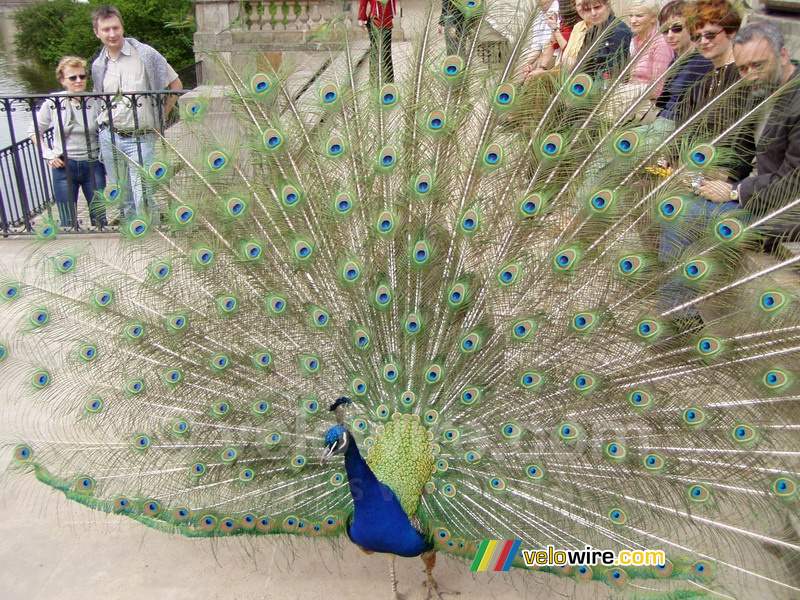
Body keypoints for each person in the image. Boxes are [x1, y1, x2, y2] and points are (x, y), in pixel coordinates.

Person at [699, 21, 800, 246]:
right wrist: (715, 176)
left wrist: (735, 191)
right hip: (762, 191)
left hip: (788, 207)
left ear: (783, 55)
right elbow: (742, 152)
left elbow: (793, 182)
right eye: (744, 69)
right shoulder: (760, 93)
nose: (751, 75)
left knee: (693, 217)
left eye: (758, 65)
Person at [91, 5, 181, 221]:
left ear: (122, 27)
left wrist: (161, 118)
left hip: (142, 135)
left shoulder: (146, 55)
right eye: (106, 29)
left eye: (115, 28)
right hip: (110, 136)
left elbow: (176, 85)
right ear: (97, 32)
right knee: (124, 192)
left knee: (143, 192)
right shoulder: (98, 65)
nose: (112, 34)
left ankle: (153, 232)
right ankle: (137, 236)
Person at [29, 56, 106, 229]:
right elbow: (34, 130)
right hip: (64, 165)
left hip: (92, 163)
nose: (78, 81)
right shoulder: (53, 102)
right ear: (63, 80)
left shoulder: (95, 100)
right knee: (67, 221)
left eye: (82, 76)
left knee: (100, 216)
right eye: (73, 77)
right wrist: (48, 154)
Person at [605, 0, 673, 123]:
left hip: (647, 104)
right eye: (631, 15)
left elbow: (659, 87)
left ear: (653, 18)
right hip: (628, 100)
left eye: (639, 16)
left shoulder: (660, 43)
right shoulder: (635, 41)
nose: (633, 20)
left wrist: (630, 93)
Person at [579, 0, 632, 80]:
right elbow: (582, 64)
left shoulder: (619, 31)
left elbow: (614, 70)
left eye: (597, 7)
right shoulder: (591, 32)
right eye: (588, 10)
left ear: (607, 6)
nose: (593, 13)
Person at [359, 0, 397, 84]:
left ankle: (388, 79)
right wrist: (362, 16)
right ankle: (374, 78)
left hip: (386, 20)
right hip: (375, 19)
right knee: (375, 50)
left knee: (386, 51)